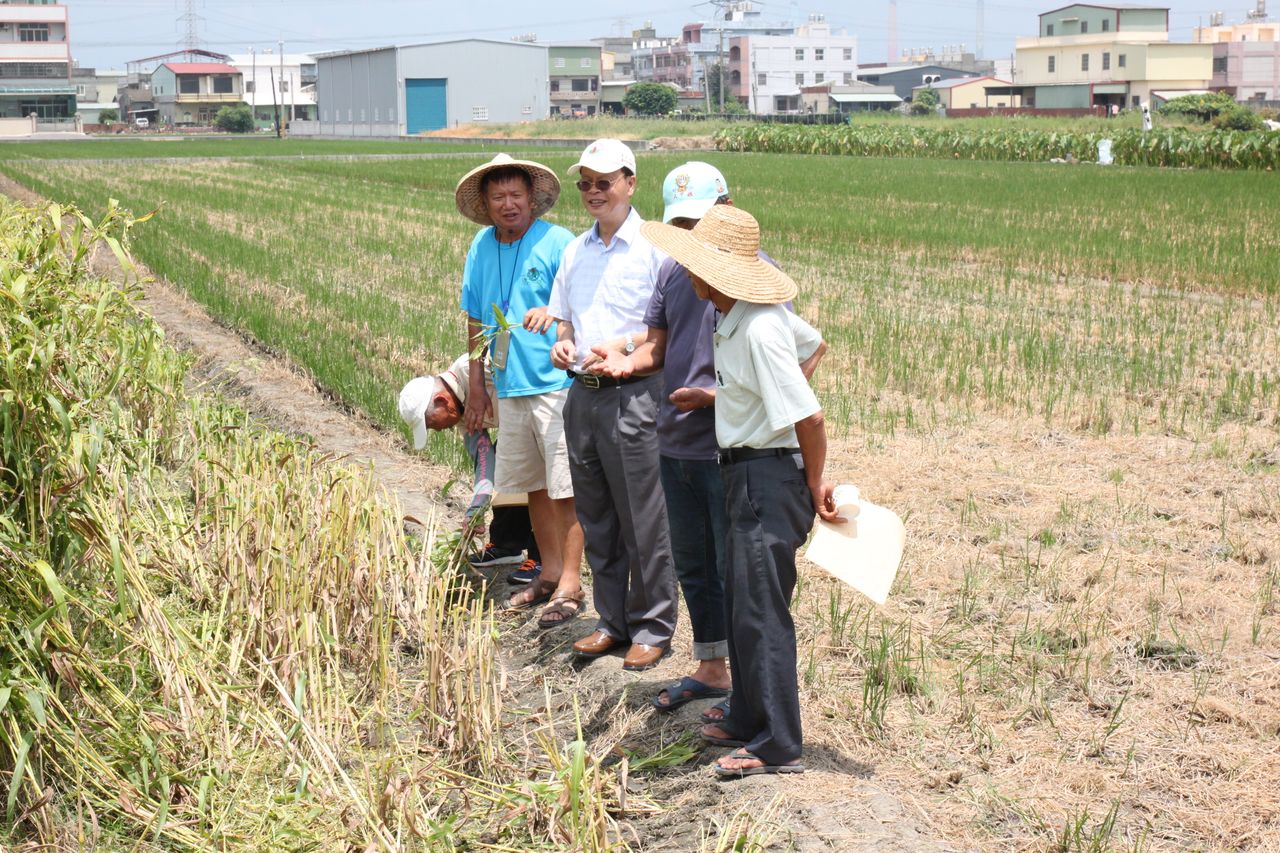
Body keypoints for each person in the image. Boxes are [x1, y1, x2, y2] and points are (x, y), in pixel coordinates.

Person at [588, 162, 826, 715]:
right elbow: (657, 347)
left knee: (740, 575)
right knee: (695, 564)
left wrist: (722, 400)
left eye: (700, 222)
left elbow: (798, 362)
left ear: (727, 209)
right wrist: (625, 361)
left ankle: (751, 697)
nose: (692, 237)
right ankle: (712, 665)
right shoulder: (676, 274)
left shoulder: (756, 282)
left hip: (734, 450)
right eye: (683, 225)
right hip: (676, 443)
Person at [641, 205, 842, 778]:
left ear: (715, 275)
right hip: (747, 471)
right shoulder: (742, 315)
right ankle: (748, 715)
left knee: (761, 615)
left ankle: (778, 743)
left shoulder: (754, 329)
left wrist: (812, 483)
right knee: (744, 606)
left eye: (695, 265)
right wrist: (723, 401)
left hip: (766, 478)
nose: (687, 273)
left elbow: (810, 416)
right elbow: (812, 345)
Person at [543, 138, 678, 671]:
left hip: (636, 397)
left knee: (643, 519)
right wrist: (561, 342)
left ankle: (653, 626)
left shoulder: (655, 249)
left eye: (604, 182)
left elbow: (660, 333)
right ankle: (612, 621)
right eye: (585, 184)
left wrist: (623, 349)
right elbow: (565, 320)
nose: (593, 192)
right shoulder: (574, 251)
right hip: (583, 397)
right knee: (596, 516)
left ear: (630, 183)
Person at [456, 154, 585, 628]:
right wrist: (477, 384)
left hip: (555, 383)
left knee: (564, 486)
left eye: (516, 195)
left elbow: (579, 305)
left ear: (532, 199)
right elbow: (474, 316)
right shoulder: (480, 246)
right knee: (533, 485)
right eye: (498, 197)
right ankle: (548, 572)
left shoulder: (558, 242)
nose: (508, 205)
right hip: (508, 384)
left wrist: (555, 319)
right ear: (486, 205)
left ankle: (571, 581)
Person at [396, 356, 540, 582]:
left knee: (535, 476)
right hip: (518, 427)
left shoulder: (477, 370)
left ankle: (542, 559)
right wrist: (476, 509)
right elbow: (485, 462)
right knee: (504, 460)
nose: (439, 430)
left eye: (432, 424)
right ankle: (506, 545)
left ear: (443, 401)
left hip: (542, 415)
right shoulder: (461, 413)